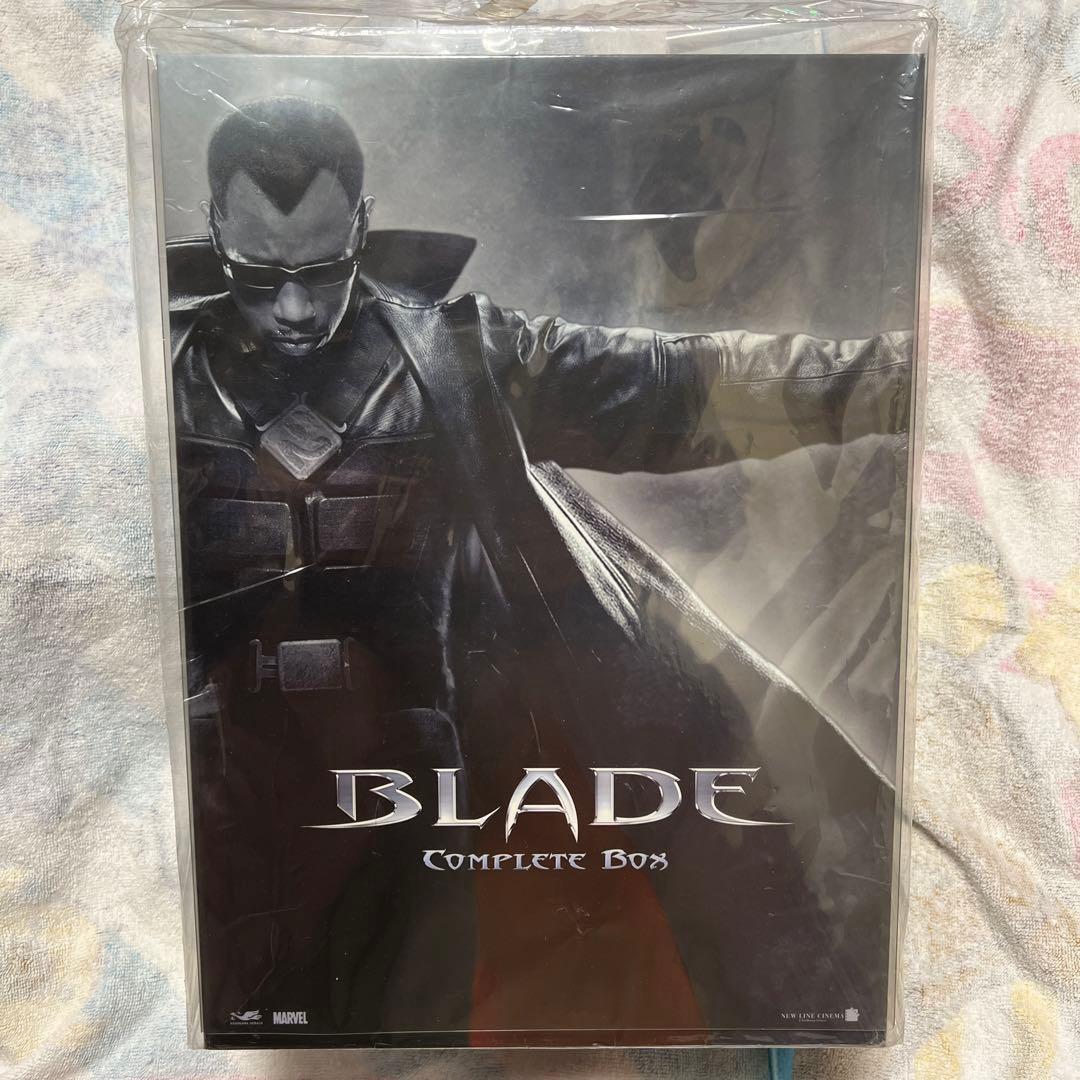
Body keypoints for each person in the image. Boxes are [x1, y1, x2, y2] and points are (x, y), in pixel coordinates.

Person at [171, 96, 910, 1044]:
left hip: (417, 794)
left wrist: (897, 376)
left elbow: (681, 384)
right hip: (224, 789)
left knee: (421, 1029)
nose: (295, 308)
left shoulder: (458, 357)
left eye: (321, 270)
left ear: (360, 228)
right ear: (214, 231)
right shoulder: (162, 375)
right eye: (259, 274)